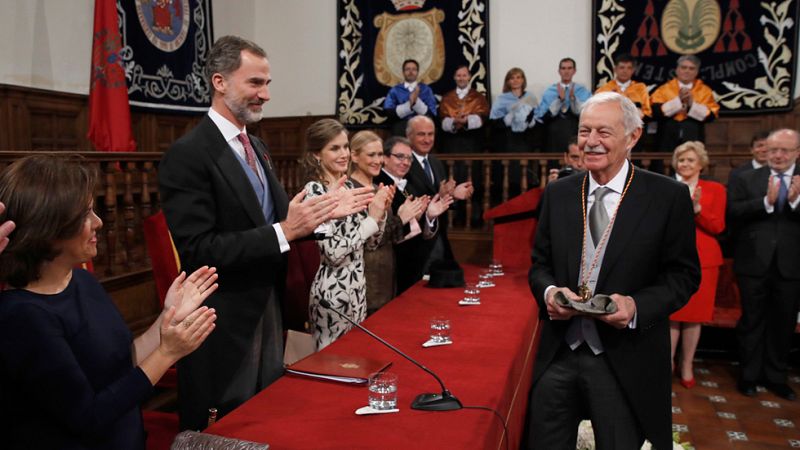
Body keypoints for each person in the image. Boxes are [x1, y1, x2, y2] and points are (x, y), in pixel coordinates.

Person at [158, 35, 373, 430]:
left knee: (266, 416)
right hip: (222, 316)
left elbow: (278, 218)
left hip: (268, 304)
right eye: (255, 83)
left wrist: (322, 214)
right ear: (219, 82)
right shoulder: (188, 154)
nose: (266, 94)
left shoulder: (256, 146)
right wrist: (286, 230)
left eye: (268, 83)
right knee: (228, 425)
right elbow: (199, 248)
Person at [0, 155, 218, 449]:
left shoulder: (82, 280)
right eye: (85, 215)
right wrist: (168, 353)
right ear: (49, 229)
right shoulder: (22, 316)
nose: (99, 223)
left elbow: (121, 363)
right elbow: (88, 417)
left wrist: (169, 316)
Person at [526, 92, 700, 450]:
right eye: (584, 131)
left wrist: (636, 306)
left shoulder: (667, 196)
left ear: (632, 137)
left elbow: (683, 276)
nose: (591, 142)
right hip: (559, 354)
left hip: (625, 359)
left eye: (603, 132)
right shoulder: (558, 193)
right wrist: (550, 293)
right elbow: (539, 265)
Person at [302, 119, 392, 349]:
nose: (343, 154)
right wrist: (370, 221)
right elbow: (332, 251)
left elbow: (371, 244)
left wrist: (379, 213)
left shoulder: (351, 187)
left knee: (354, 358)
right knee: (330, 363)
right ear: (316, 155)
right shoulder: (314, 192)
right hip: (331, 294)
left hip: (358, 290)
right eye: (334, 148)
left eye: (345, 147)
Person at [728, 128, 800, 401]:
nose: (778, 155)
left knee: (783, 323)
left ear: (797, 153)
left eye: (785, 150)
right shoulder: (746, 177)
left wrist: (795, 201)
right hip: (752, 263)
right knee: (751, 321)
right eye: (773, 150)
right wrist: (765, 202)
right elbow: (733, 212)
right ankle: (748, 376)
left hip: (792, 265)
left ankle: (776, 377)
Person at [349, 131, 437, 315]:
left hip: (388, 275)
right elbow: (365, 241)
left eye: (379, 154)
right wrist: (402, 218)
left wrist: (419, 216)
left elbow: (392, 236)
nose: (377, 160)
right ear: (354, 156)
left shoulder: (376, 188)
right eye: (371, 154)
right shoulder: (350, 191)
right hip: (364, 280)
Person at [668, 141, 726, 389]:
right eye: (681, 160)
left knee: (694, 318)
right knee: (671, 315)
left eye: (690, 160)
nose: (685, 164)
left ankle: (687, 364)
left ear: (701, 164)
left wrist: (698, 209)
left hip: (705, 261)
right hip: (671, 259)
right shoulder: (668, 187)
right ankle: (666, 363)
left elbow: (718, 227)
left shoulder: (715, 189)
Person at [397, 116, 471, 293]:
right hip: (413, 244)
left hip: (437, 238)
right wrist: (443, 194)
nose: (427, 139)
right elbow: (409, 200)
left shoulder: (435, 162)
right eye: (421, 134)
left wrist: (453, 196)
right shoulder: (403, 163)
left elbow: (440, 199)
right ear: (409, 136)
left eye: (431, 134)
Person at [650, 55, 720, 169]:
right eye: (684, 67)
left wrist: (691, 104)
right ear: (677, 70)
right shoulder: (664, 89)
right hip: (667, 138)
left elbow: (711, 115)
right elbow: (655, 111)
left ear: (696, 71)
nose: (687, 71)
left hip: (693, 136)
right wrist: (679, 101)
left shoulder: (704, 90)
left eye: (691, 68)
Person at [534, 57, 591, 155]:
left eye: (569, 68)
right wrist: (559, 100)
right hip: (553, 136)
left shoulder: (582, 91)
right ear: (559, 71)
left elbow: (587, 114)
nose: (566, 71)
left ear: (574, 71)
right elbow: (541, 116)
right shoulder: (550, 91)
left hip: (574, 133)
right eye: (563, 68)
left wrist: (573, 99)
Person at [438, 65, 490, 153]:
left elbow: (483, 117)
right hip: (452, 142)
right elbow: (442, 119)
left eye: (464, 75)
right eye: (458, 76)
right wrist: (454, 122)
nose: (461, 78)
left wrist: (466, 121)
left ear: (469, 77)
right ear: (454, 77)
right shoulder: (447, 98)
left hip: (472, 141)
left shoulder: (478, 97)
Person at [489, 67, 540, 152]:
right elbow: (493, 122)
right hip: (507, 140)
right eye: (512, 78)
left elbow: (538, 120)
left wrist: (531, 121)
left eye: (518, 77)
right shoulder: (501, 99)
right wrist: (507, 118)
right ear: (508, 82)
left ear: (523, 80)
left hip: (526, 140)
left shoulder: (530, 97)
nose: (515, 80)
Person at [383, 59, 438, 136]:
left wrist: (416, 103)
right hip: (400, 128)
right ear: (403, 72)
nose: (411, 72)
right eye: (407, 69)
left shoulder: (426, 90)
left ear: (418, 72)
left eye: (414, 69)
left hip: (422, 128)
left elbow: (432, 115)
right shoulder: (395, 90)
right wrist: (409, 105)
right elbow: (388, 112)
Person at [595, 53, 652, 120]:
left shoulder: (640, 88)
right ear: (615, 70)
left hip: (634, 124)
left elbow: (647, 112)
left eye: (629, 68)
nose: (625, 71)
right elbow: (597, 111)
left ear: (633, 70)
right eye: (622, 68)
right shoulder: (604, 89)